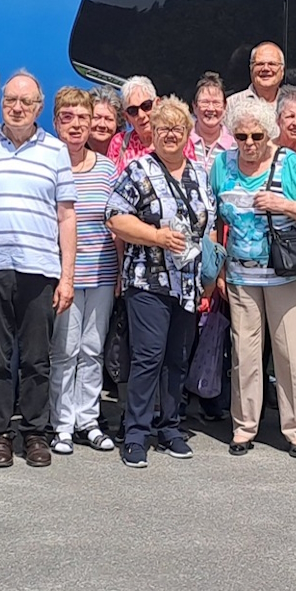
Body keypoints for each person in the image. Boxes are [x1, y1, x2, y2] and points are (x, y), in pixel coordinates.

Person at [0, 71, 77, 468]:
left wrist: (67, 277)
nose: (16, 107)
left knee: (36, 359)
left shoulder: (55, 151)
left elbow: (66, 217)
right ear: (1, 103)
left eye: (25, 102)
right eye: (10, 100)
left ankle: (35, 433)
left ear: (39, 108)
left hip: (38, 269)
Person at [208, 94, 296, 457]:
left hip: (284, 275)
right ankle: (244, 427)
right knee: (244, 354)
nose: (250, 144)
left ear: (269, 134)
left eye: (257, 136)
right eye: (242, 137)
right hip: (241, 276)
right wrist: (218, 268)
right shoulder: (221, 165)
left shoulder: (286, 163)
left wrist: (282, 204)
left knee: (290, 353)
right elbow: (214, 219)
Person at [105, 98, 211, 468]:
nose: (170, 134)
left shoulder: (199, 174)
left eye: (177, 129)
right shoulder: (138, 169)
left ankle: (170, 428)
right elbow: (115, 217)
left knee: (176, 360)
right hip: (147, 281)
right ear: (153, 133)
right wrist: (157, 237)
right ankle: (136, 433)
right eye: (163, 128)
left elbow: (206, 230)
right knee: (148, 358)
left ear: (187, 134)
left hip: (186, 284)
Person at [48, 86, 120, 455]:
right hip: (63, 277)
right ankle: (60, 423)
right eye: (68, 117)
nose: (76, 125)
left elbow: (117, 223)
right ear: (56, 121)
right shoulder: (47, 163)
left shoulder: (107, 168)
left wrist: (121, 272)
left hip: (103, 274)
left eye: (83, 117)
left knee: (92, 350)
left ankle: (87, 419)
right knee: (64, 350)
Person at [108, 75, 157, 168]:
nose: (141, 115)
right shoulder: (119, 142)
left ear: (157, 104)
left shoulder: (174, 140)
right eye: (133, 111)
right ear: (126, 117)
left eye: (146, 106)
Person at [189, 73, 235, 169]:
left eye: (216, 103)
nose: (210, 108)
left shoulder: (235, 143)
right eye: (205, 102)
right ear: (194, 106)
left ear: (225, 106)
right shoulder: (183, 139)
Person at [88, 92, 120, 156]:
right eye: (96, 118)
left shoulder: (126, 150)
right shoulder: (73, 149)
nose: (102, 125)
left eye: (109, 119)